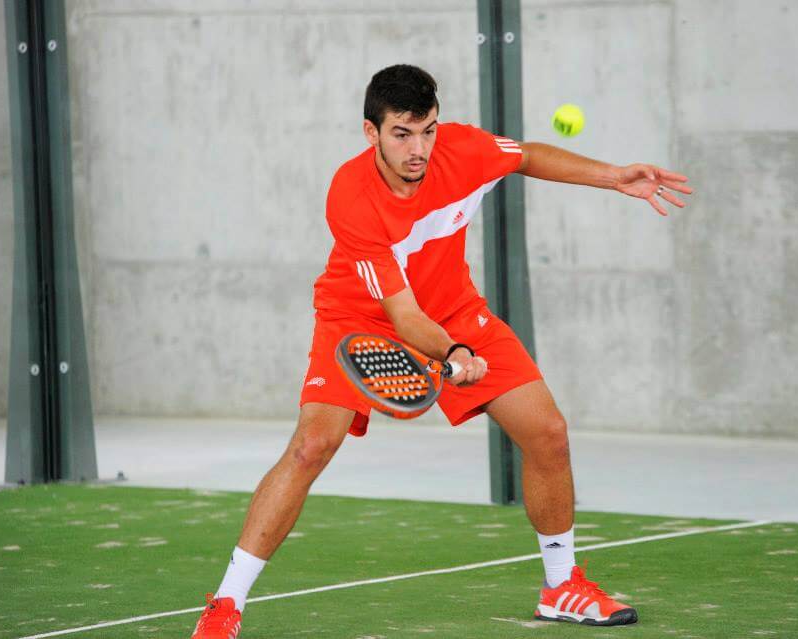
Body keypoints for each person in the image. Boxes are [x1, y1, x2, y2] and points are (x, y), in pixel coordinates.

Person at [191, 64, 692, 638]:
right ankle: (226, 605)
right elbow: (402, 315)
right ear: (370, 132)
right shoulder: (351, 195)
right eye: (402, 133)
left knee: (547, 432)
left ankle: (561, 587)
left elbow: (525, 155)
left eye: (427, 130)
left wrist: (612, 176)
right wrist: (452, 355)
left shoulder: (463, 149)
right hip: (359, 318)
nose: (418, 147)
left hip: (453, 309)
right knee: (310, 447)